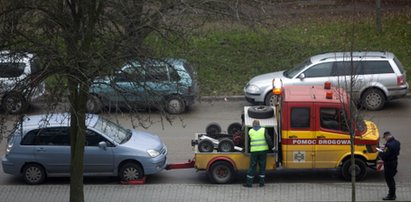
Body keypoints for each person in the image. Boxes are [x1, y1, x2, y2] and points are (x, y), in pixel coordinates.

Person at [243, 120, 269, 188]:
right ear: (259, 124)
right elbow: (268, 139)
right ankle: (261, 183)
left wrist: (246, 149)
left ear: (253, 125)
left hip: (254, 151)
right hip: (263, 151)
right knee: (262, 167)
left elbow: (248, 142)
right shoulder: (263, 130)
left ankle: (249, 183)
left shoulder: (250, 131)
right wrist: (271, 147)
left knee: (252, 167)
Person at [378, 131, 401, 200]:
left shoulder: (388, 145)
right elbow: (394, 151)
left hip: (389, 164)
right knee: (391, 179)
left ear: (387, 136)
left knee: (389, 180)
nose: (385, 139)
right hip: (394, 162)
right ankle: (392, 194)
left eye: (384, 138)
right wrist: (385, 147)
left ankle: (391, 195)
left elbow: (383, 156)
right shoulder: (397, 142)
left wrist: (380, 151)